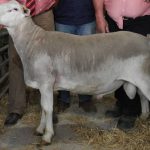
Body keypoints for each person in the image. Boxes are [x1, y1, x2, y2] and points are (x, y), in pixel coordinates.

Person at [93, 0, 150, 130]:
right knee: (116, 64)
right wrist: (99, 16)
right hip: (113, 21)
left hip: (140, 22)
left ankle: (131, 111)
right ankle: (122, 102)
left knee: (135, 68)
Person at [2, 0, 58, 125]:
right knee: (16, 57)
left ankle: (49, 109)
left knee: (50, 57)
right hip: (17, 11)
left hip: (43, 9)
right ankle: (16, 107)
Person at [53, 0, 97, 113]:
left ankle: (85, 98)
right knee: (62, 62)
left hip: (87, 19)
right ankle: (63, 98)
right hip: (63, 20)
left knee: (85, 62)